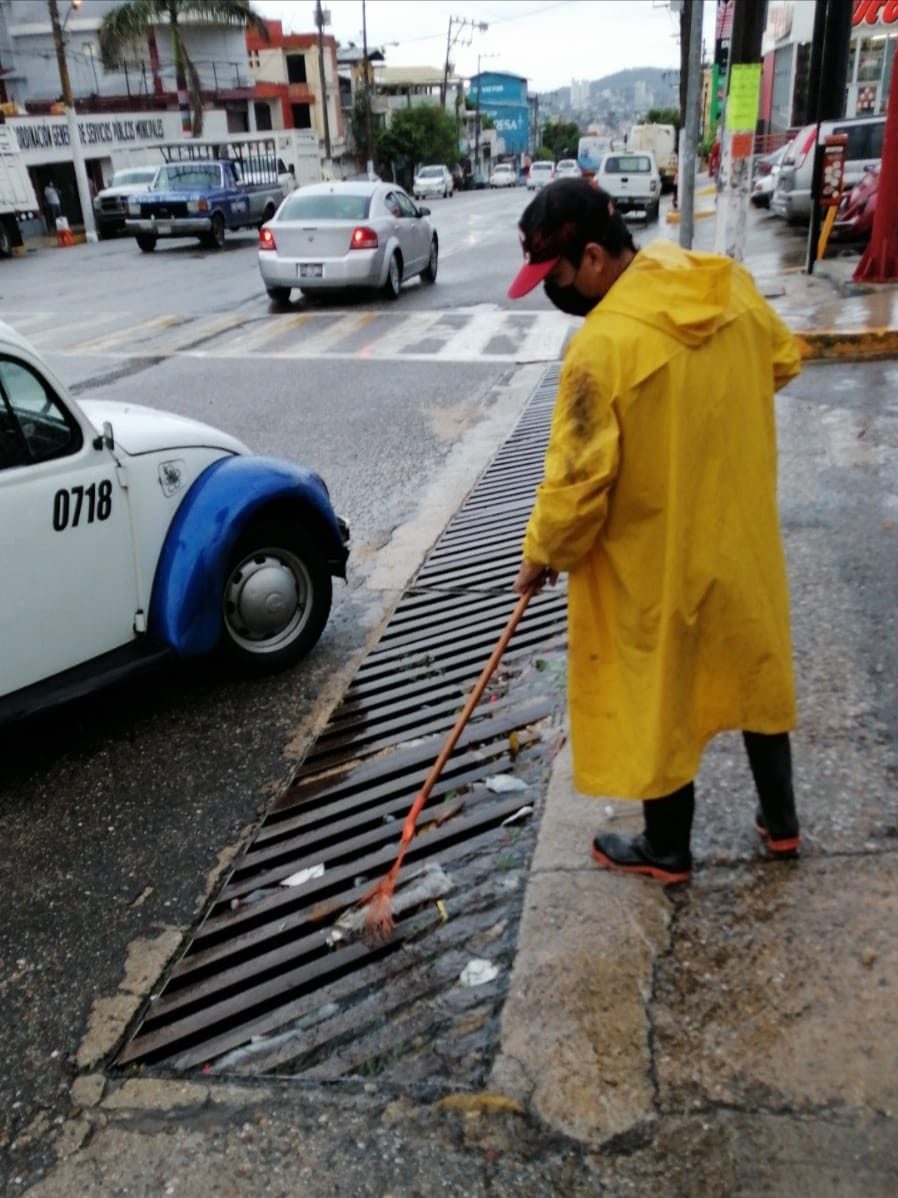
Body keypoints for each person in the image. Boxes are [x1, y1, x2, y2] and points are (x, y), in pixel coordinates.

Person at [507, 178, 802, 883]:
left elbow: (575, 485)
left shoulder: (601, 348)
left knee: (658, 687)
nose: (554, 292)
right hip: (741, 541)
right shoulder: (726, 285)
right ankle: (783, 824)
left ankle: (667, 847)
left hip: (657, 557)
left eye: (556, 276)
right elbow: (783, 360)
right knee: (755, 671)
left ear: (595, 260)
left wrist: (541, 554)